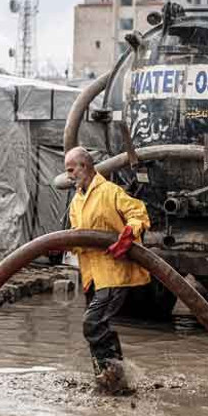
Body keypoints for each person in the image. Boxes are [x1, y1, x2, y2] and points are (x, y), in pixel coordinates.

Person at [65, 146, 151, 390]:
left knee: (92, 324)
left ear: (84, 166)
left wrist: (128, 235)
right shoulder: (76, 202)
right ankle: (110, 379)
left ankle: (113, 376)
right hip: (92, 276)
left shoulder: (110, 192)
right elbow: (79, 237)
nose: (69, 176)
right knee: (97, 326)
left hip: (113, 272)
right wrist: (64, 244)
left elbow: (139, 214)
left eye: (71, 170)